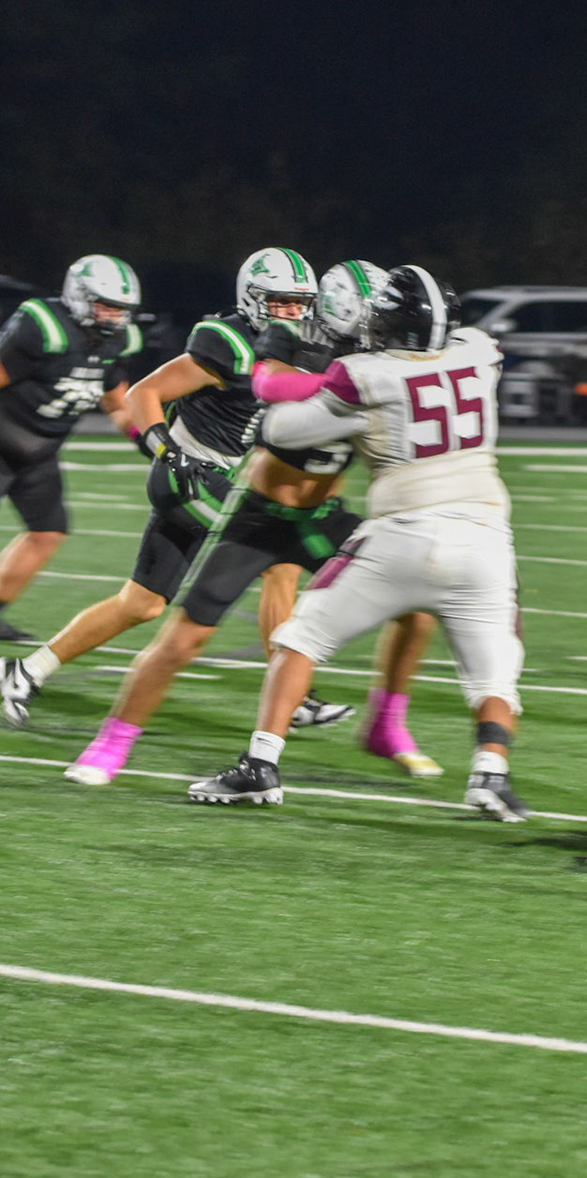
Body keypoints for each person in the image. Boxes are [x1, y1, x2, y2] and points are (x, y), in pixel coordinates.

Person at [62, 263, 441, 786]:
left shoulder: (376, 361)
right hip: (261, 516)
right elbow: (272, 381)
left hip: (323, 516)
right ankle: (110, 744)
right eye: (379, 318)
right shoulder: (287, 339)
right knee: (183, 639)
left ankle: (385, 723)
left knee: (416, 607)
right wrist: (343, 384)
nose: (386, 329)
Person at [186, 265, 528, 819]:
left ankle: (260, 766)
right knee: (495, 673)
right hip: (486, 537)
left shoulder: (365, 374)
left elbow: (278, 426)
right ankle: (492, 773)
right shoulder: (479, 350)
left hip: (402, 535)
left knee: (299, 639)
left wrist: (286, 373)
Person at [1, 248, 350, 730]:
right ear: (252, 299)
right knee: (279, 559)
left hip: (220, 479)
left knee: (141, 603)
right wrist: (165, 450)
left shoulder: (294, 346)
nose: (291, 313)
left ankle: (26, 670)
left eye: (299, 303)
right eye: (280, 302)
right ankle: (292, 695)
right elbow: (143, 392)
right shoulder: (229, 342)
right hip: (186, 476)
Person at [0, 254, 144, 638]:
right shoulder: (45, 327)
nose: (114, 317)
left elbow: (117, 403)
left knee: (47, 533)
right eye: (106, 306)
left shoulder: (117, 342)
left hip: (40, 453)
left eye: (121, 309)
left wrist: (147, 439)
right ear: (79, 296)